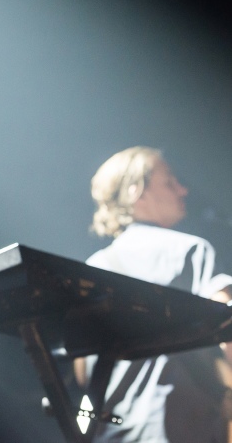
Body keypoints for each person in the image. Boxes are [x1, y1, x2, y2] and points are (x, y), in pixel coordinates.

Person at [81, 146, 232, 443]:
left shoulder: (92, 268)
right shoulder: (189, 250)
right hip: (182, 424)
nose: (182, 190)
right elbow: (227, 327)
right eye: (170, 181)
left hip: (111, 431)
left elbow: (83, 372)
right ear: (138, 192)